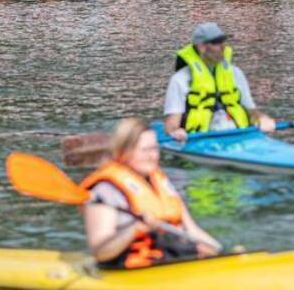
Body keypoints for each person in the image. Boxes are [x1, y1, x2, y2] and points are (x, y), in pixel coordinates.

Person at [81, 118, 221, 269]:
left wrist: (221, 253)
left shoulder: (160, 182)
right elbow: (100, 252)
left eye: (154, 149)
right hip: (130, 270)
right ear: (124, 151)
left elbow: (191, 230)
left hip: (170, 261)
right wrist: (135, 228)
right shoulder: (104, 191)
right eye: (144, 150)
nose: (152, 156)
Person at [163, 23, 276, 142]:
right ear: (202, 46)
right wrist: (176, 132)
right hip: (200, 138)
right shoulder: (180, 79)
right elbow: (172, 125)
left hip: (237, 134)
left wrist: (262, 119)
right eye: (217, 42)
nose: (223, 46)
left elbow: (252, 112)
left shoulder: (235, 73)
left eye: (223, 41)